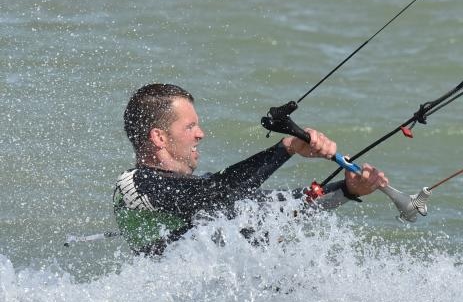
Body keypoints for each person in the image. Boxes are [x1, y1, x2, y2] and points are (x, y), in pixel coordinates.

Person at [113, 83, 388, 255]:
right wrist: (286, 148)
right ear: (159, 137)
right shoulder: (136, 185)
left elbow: (279, 207)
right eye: (190, 126)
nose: (200, 134)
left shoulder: (192, 191)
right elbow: (219, 191)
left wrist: (348, 190)